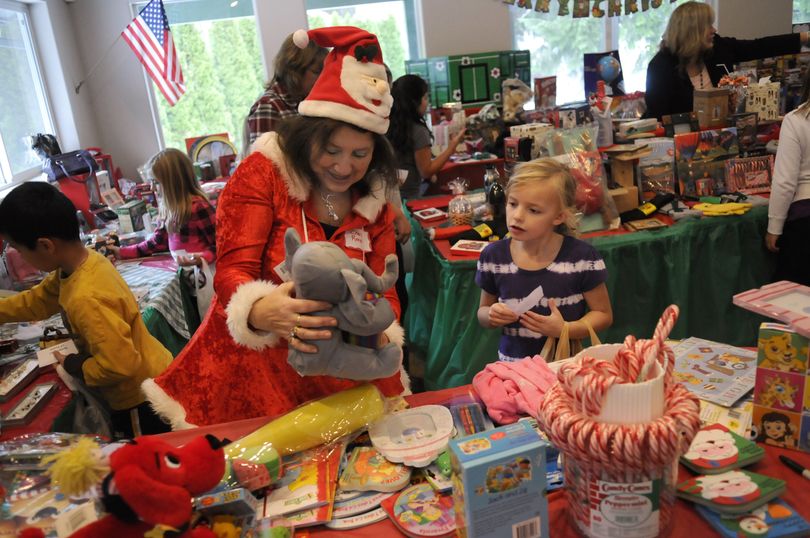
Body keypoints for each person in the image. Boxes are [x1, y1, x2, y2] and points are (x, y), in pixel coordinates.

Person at [144, 26, 407, 429]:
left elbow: (386, 291)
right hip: (254, 379)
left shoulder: (374, 202)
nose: (343, 166)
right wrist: (262, 310)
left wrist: (372, 323)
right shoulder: (265, 174)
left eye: (360, 154)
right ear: (306, 140)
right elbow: (233, 272)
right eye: (331, 150)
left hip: (342, 377)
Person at [0, 182, 172, 438]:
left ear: (46, 245)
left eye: (20, 251)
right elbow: (36, 302)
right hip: (151, 374)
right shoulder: (79, 263)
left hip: (139, 398)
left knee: (148, 458)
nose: (22, 259)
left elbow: (120, 366)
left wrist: (75, 365)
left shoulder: (85, 297)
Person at [475, 159, 613, 362]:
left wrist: (565, 329)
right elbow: (482, 313)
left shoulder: (582, 258)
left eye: (533, 210)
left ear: (558, 217)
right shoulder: (493, 257)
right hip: (514, 371)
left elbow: (603, 314)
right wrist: (492, 315)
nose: (517, 216)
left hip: (565, 369)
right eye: (513, 204)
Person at [644, 1, 810, 120]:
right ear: (692, 32)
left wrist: (805, 37)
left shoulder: (718, 48)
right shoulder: (660, 67)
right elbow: (657, 117)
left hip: (723, 139)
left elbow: (760, 46)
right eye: (708, 25)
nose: (713, 30)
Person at [109, 148, 216, 268]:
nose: (152, 188)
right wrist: (122, 252)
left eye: (156, 182)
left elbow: (221, 245)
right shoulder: (168, 209)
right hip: (185, 273)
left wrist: (202, 258)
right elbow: (156, 243)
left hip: (205, 273)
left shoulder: (199, 207)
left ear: (174, 183)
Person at [387, 74, 466, 199]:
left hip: (389, 198)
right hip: (409, 199)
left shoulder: (387, 125)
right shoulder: (418, 130)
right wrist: (451, 147)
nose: (427, 102)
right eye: (425, 98)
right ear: (413, 102)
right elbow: (426, 171)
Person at [244, 33, 328, 151]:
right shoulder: (268, 106)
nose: (322, 78)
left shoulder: (312, 103)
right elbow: (261, 163)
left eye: (325, 72)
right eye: (316, 72)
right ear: (294, 70)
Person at [765, 69, 810, 286]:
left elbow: (785, 181)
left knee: (793, 301)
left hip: (804, 221)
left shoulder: (796, 120)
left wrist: (774, 227)